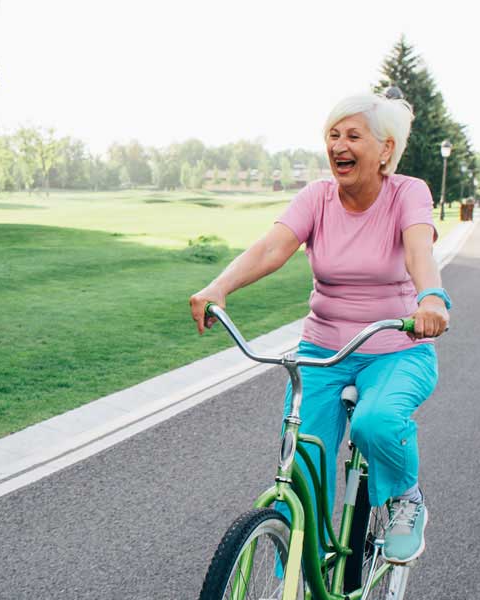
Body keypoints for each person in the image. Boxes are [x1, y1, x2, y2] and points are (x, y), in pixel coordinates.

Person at [188, 88, 450, 563]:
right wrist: (218, 287)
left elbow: (419, 253)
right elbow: (271, 249)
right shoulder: (317, 198)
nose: (339, 146)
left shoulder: (407, 193)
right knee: (301, 476)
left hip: (396, 348)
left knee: (376, 423)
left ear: (385, 149)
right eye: (332, 135)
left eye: (353, 135)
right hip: (323, 353)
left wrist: (431, 297)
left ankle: (407, 500)